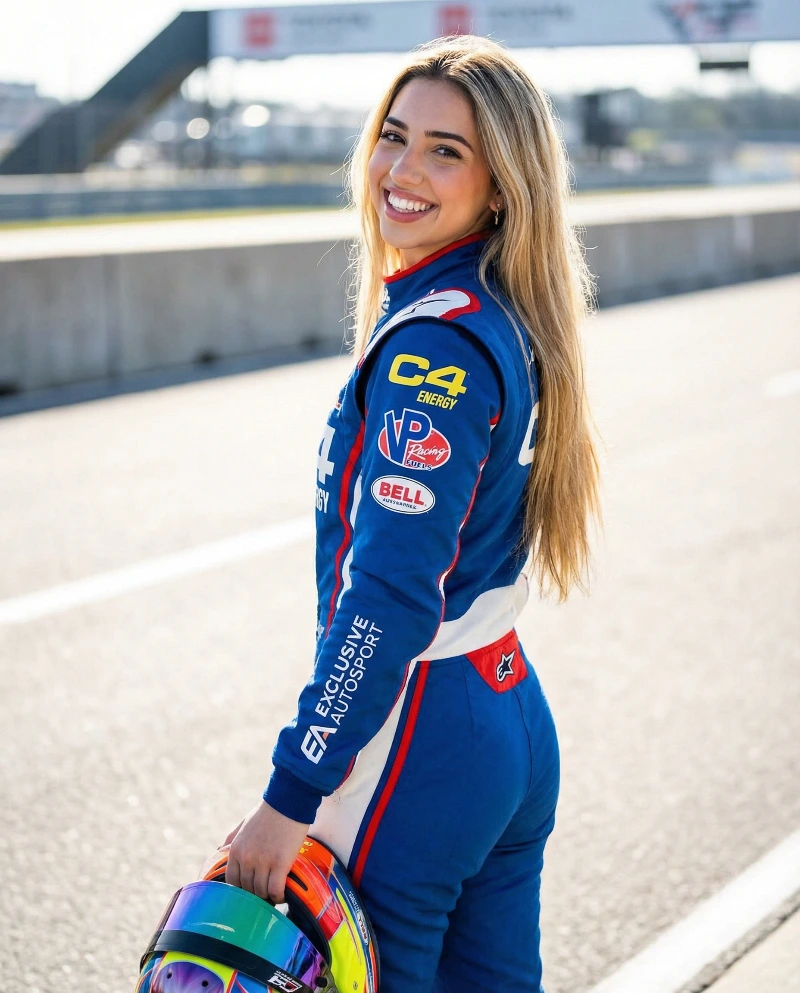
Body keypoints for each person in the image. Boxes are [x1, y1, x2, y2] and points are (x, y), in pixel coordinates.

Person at [223, 34, 601, 993]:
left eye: (446, 151)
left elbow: (388, 599)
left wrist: (292, 789)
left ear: (502, 184)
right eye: (395, 136)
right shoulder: (500, 314)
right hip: (506, 710)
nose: (403, 170)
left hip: (421, 735)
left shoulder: (430, 351)